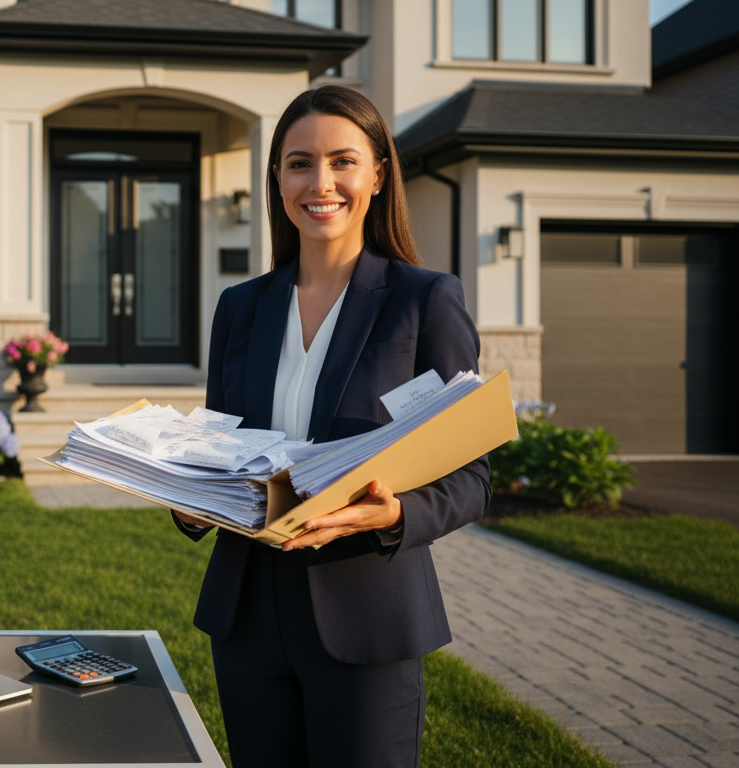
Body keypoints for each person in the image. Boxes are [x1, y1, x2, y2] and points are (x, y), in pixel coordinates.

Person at [172, 85, 490, 767]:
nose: (321, 183)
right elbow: (221, 447)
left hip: (368, 615)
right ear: (277, 180)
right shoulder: (240, 307)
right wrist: (192, 502)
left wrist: (394, 514)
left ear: (378, 175)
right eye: (298, 163)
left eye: (342, 161)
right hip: (247, 616)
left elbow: (474, 477)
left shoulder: (424, 301)